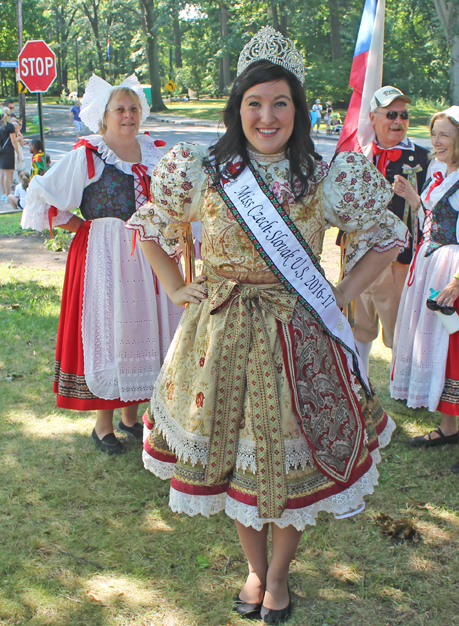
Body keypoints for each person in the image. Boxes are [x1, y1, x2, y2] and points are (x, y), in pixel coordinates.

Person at [126, 26, 409, 623]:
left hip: (294, 338)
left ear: (297, 109)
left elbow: (388, 235)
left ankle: (276, 578)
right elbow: (148, 224)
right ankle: (254, 571)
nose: (267, 115)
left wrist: (337, 292)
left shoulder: (327, 173)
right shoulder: (203, 168)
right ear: (238, 108)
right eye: (254, 102)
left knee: (285, 468)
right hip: (219, 337)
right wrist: (176, 285)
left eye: (280, 102)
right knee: (235, 465)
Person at [21, 74, 183, 455]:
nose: (128, 115)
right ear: (104, 117)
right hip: (104, 257)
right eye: (120, 110)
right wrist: (87, 227)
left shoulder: (154, 153)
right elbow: (45, 196)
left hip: (148, 254)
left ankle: (131, 418)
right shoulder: (88, 155)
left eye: (133, 109)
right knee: (111, 333)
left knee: (142, 333)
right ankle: (102, 425)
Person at [390, 106, 459, 474]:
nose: (434, 142)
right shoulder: (443, 171)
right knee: (438, 346)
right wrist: (413, 200)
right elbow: (438, 221)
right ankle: (448, 428)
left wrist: (458, 282)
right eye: (433, 133)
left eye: (444, 135)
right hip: (434, 264)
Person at [343, 86, 429, 373]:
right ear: (373, 117)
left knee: (400, 326)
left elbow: (434, 211)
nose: (398, 121)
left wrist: (414, 200)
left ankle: (403, 384)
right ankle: (361, 378)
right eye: (391, 114)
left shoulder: (423, 159)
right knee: (359, 324)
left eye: (404, 115)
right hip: (358, 255)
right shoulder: (357, 155)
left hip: (397, 260)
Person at [0, 109, 22, 202]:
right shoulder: (10, 126)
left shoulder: (1, 125)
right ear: (9, 115)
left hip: (1, 151)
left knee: (2, 174)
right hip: (8, 151)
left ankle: (3, 194)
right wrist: (18, 153)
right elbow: (13, 141)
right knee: (7, 174)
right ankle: (8, 195)